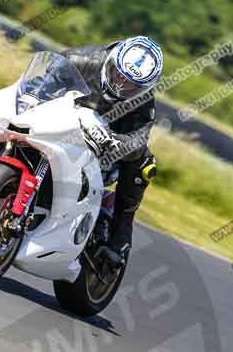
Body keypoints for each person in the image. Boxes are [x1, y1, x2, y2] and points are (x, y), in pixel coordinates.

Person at [61, 36, 163, 267]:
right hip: (61, 125)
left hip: (102, 146)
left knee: (145, 164)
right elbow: (44, 79)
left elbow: (138, 139)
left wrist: (113, 143)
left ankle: (120, 237)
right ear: (112, 61)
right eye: (117, 73)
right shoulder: (81, 59)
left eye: (130, 83)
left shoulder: (143, 100)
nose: (120, 83)